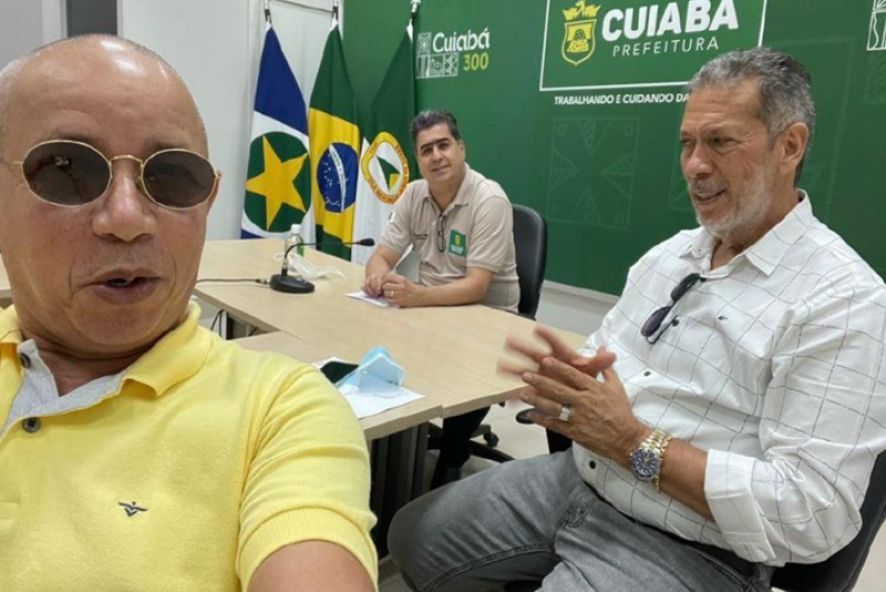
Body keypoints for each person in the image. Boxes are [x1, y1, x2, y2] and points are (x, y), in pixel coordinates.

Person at [387, 47, 886, 592]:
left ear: (790, 146)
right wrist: (564, 381)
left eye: (720, 142)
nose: (695, 165)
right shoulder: (668, 257)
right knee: (412, 535)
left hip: (692, 545)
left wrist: (632, 442)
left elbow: (813, 514)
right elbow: (602, 363)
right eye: (687, 144)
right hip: (581, 480)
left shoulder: (843, 300)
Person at [0, 36, 376, 591]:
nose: (126, 218)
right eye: (66, 169)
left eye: (171, 177)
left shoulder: (279, 411)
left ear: (207, 202)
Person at [363, 109, 519, 487]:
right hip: (432, 310)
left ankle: (451, 452)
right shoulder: (414, 194)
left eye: (443, 145)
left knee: (450, 362)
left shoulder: (489, 200)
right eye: (426, 150)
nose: (436, 156)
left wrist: (418, 296)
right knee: (372, 347)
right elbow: (382, 255)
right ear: (418, 160)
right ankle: (386, 441)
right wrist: (376, 275)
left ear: (461, 148)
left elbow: (477, 286)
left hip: (487, 319)